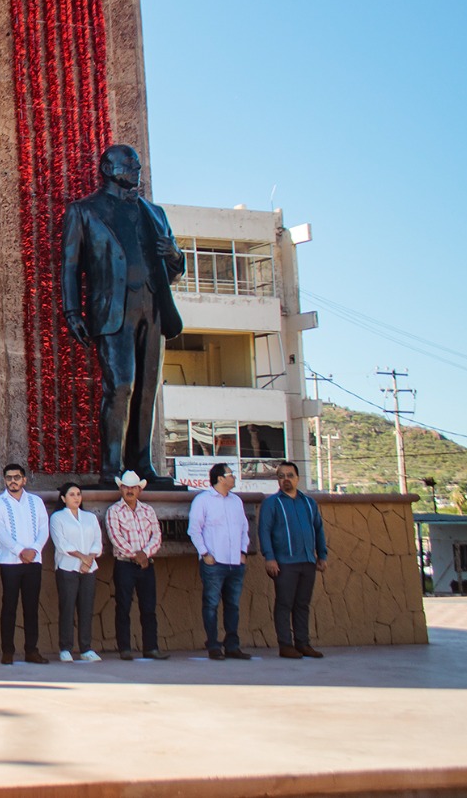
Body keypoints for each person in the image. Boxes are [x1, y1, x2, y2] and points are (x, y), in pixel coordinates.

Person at [60, 144, 185, 483]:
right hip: (112, 310)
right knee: (121, 385)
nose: (136, 168)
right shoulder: (84, 211)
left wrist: (174, 255)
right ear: (107, 167)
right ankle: (112, 469)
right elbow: (70, 266)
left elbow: (174, 268)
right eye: (129, 164)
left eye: (138, 164)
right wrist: (72, 311)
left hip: (153, 306)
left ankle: (142, 466)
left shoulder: (154, 212)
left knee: (147, 390)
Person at [258, 460, 329, 659]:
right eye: (281, 476)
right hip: (283, 563)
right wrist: (269, 558)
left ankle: (303, 643)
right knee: (284, 603)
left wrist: (321, 555)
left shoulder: (308, 503)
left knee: (302, 604)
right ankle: (286, 645)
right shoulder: (272, 503)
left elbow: (318, 529)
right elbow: (264, 531)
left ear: (298, 478)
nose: (286, 480)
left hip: (307, 561)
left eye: (290, 476)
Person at [187, 461, 251, 660]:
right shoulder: (203, 500)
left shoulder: (236, 501)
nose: (233, 478)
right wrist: (205, 553)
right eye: (230, 474)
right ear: (220, 478)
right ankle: (213, 645)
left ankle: (232, 645)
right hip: (214, 563)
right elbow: (194, 529)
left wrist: (243, 552)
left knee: (233, 605)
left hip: (235, 562)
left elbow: (244, 529)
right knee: (211, 604)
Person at [0, 463, 49, 664]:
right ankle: (8, 651)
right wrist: (20, 551)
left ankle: (32, 650)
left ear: (24, 479)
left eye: (16, 477)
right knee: (9, 606)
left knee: (31, 606)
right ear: (4, 480)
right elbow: (0, 532)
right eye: (8, 477)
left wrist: (34, 550)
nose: (12, 481)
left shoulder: (36, 502)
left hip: (34, 560)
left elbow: (43, 529)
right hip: (10, 562)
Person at [104, 470, 168, 660]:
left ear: (139, 490)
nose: (129, 491)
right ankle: (124, 648)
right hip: (125, 564)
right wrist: (135, 555)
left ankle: (151, 647)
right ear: (120, 489)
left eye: (133, 487)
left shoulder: (148, 510)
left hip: (146, 564)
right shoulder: (114, 511)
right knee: (123, 606)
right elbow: (116, 537)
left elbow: (157, 535)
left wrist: (145, 554)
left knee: (149, 607)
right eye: (125, 487)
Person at [50, 482, 103, 662]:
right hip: (67, 567)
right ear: (64, 498)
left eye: (78, 494)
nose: (76, 497)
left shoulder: (90, 517)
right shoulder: (58, 518)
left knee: (86, 608)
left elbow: (97, 541)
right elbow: (62, 543)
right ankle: (65, 647)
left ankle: (86, 648)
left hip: (89, 568)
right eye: (72, 494)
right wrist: (82, 557)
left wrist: (89, 559)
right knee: (67, 607)